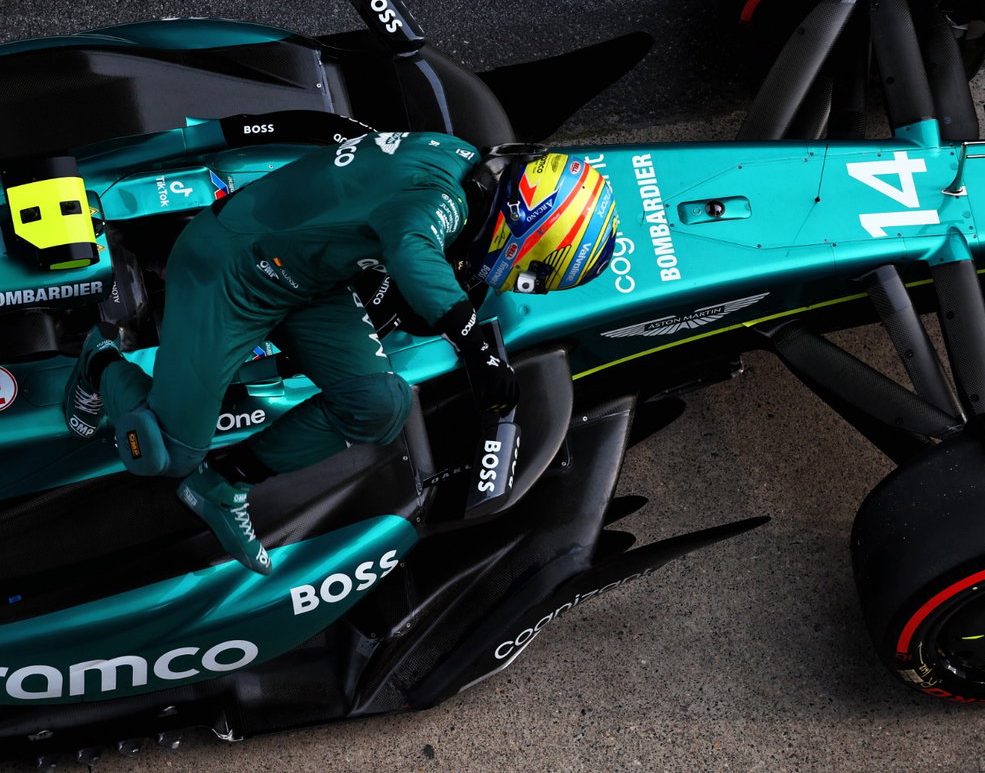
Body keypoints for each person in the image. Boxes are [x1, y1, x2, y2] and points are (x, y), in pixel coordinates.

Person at [62, 131, 618, 575]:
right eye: (536, 272)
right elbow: (412, 247)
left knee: (379, 405)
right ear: (528, 230)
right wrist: (479, 351)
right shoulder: (442, 198)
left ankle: (222, 484)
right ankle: (97, 362)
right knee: (165, 453)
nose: (522, 281)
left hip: (309, 278)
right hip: (230, 270)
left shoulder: (460, 159)